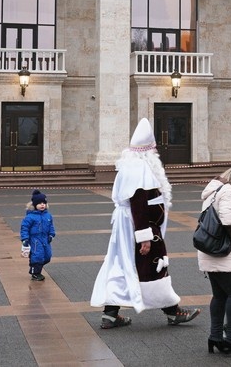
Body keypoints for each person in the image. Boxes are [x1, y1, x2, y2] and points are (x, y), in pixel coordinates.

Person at [90, 118, 201, 330]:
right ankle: (173, 311)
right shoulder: (140, 169)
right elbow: (139, 204)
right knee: (153, 265)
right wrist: (144, 237)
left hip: (129, 227)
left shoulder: (130, 166)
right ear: (148, 150)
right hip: (142, 226)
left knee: (123, 264)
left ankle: (110, 314)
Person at [198, 166, 231, 358]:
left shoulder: (212, 191)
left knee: (219, 295)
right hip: (224, 251)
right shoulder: (228, 191)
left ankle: (215, 337)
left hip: (209, 249)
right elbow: (228, 221)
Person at [20, 189, 55, 281]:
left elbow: (51, 226)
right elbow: (24, 228)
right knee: (37, 256)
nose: (42, 205)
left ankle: (37, 268)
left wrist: (51, 234)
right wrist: (25, 239)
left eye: (44, 203)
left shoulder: (48, 215)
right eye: (39, 203)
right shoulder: (30, 217)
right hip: (35, 239)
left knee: (47, 256)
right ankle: (35, 273)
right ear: (35, 205)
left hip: (45, 239)